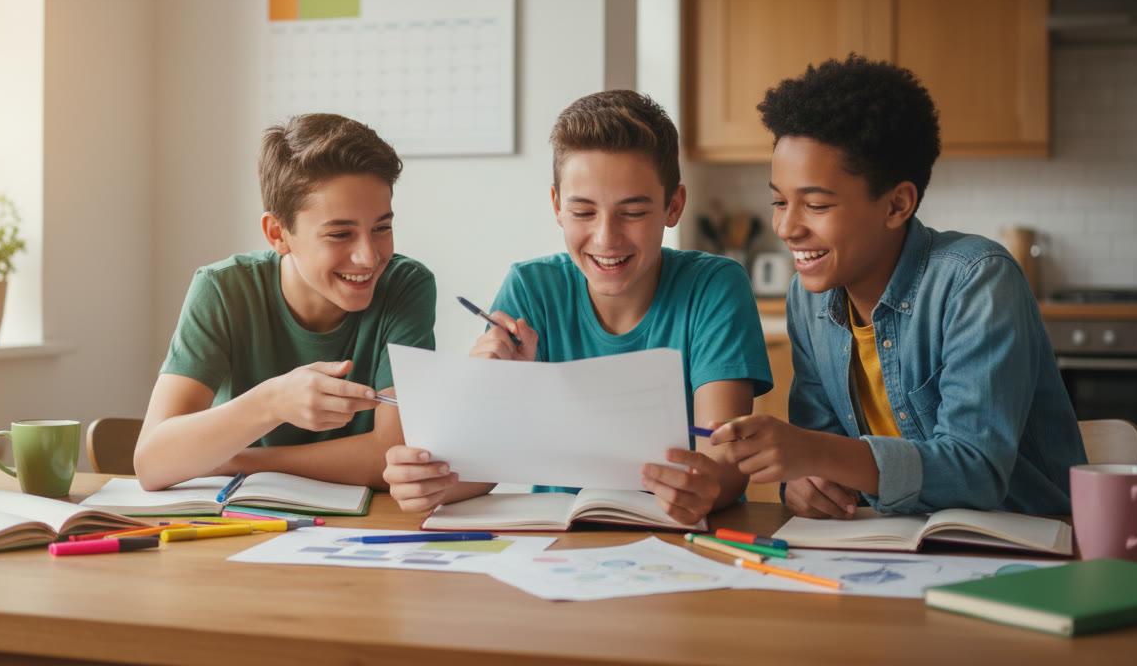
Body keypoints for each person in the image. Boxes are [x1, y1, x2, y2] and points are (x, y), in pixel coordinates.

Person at [708, 55, 1085, 517]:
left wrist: (814, 453)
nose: (786, 227)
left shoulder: (976, 281)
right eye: (778, 201)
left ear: (896, 205)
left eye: (816, 205)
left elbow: (977, 472)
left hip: (1022, 546)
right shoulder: (808, 302)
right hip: (894, 547)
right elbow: (816, 455)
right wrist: (803, 485)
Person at [383, 90, 772, 525]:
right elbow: (482, 467)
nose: (606, 238)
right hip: (561, 539)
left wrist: (707, 483)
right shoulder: (531, 288)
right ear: (557, 207)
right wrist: (429, 476)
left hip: (682, 536)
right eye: (583, 212)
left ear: (673, 206)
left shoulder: (714, 287)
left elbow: (725, 460)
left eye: (633, 212)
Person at [135, 113, 435, 491]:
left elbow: (391, 455)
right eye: (340, 234)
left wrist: (237, 460)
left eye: (382, 228)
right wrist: (272, 402)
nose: (369, 257)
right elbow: (151, 463)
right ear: (278, 234)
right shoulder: (223, 290)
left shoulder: (406, 287)